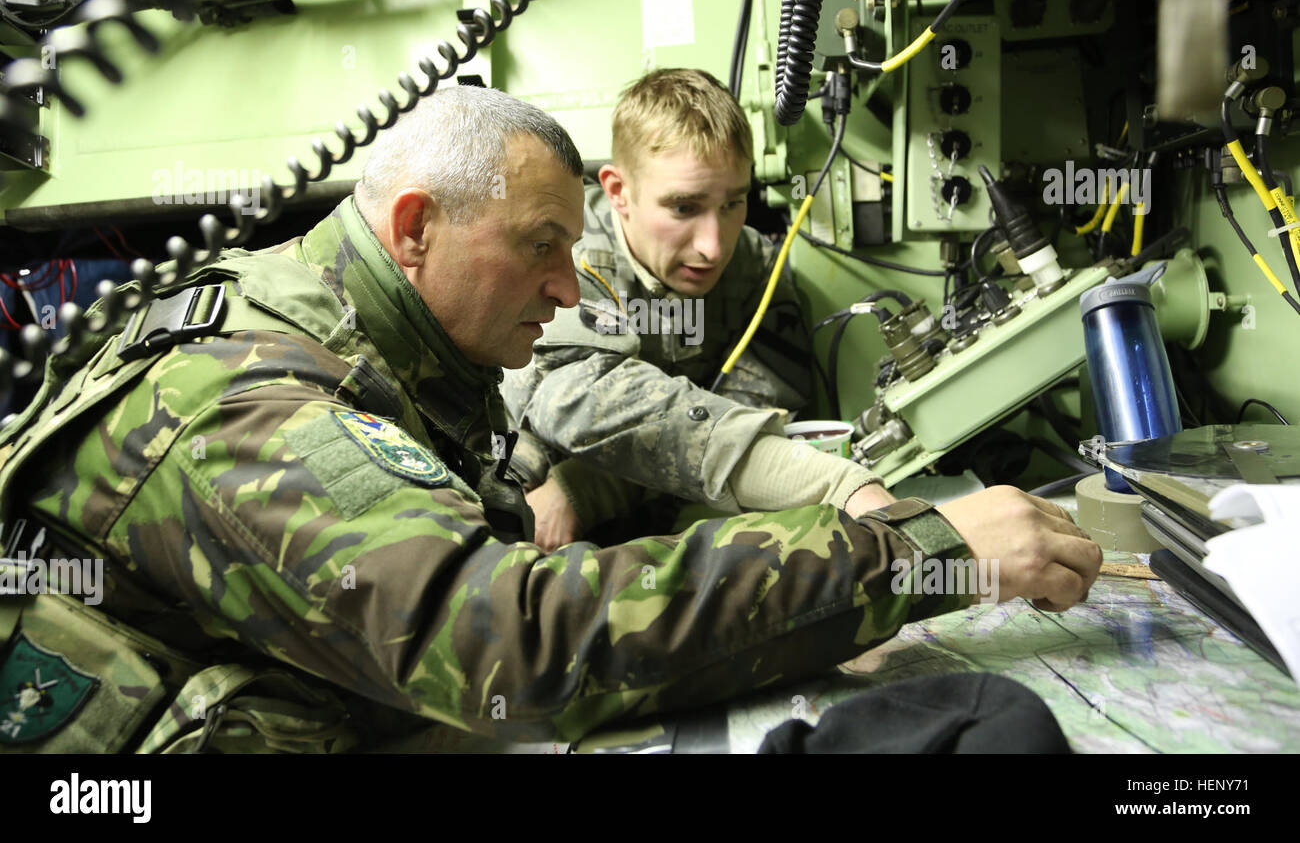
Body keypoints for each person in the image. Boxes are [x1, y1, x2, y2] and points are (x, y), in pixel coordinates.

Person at [0, 86, 1101, 752]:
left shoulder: (374, 332)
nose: (571, 290)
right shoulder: (248, 404)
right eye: (539, 246)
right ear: (419, 225)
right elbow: (508, 642)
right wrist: (918, 554)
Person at [504, 68, 894, 553]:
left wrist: (586, 489)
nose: (713, 247)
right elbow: (577, 402)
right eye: (684, 208)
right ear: (618, 192)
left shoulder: (754, 267)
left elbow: (757, 410)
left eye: (733, 203)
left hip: (669, 518)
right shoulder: (566, 257)